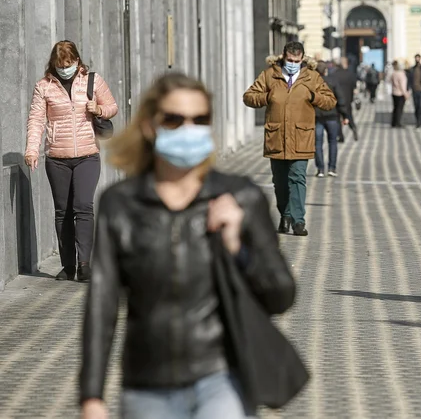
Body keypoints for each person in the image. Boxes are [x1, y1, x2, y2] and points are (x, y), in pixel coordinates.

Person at [79, 73, 297, 419]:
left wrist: (237, 245)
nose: (188, 129)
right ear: (151, 126)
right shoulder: (121, 204)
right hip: (146, 382)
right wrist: (91, 395)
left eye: (200, 120)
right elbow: (102, 303)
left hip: (221, 375)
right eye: (174, 119)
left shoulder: (239, 197)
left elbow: (281, 295)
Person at [25, 40, 118, 282]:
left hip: (87, 155)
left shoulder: (91, 80)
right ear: (53, 64)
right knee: (62, 212)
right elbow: (36, 120)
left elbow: (112, 106)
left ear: (77, 60)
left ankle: (84, 264)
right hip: (57, 158)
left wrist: (98, 109)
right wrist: (31, 150)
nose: (64, 68)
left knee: (84, 207)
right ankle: (67, 266)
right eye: (60, 64)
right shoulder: (44, 87)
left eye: (69, 63)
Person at [243, 41, 336, 237]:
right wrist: (266, 97)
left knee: (297, 178)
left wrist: (313, 96)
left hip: (301, 136)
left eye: (297, 60)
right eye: (290, 60)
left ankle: (298, 221)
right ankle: (284, 215)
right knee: (280, 182)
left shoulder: (312, 77)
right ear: (283, 57)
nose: (293, 63)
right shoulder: (270, 74)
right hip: (276, 137)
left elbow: (330, 101)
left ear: (302, 59)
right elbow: (249, 96)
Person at [315, 63, 348, 177]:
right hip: (332, 115)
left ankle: (320, 169)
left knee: (318, 143)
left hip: (317, 117)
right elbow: (340, 98)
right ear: (326, 71)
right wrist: (345, 115)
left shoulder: (312, 83)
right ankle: (332, 168)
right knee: (332, 142)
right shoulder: (333, 81)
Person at [332, 57, 359, 142]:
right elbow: (355, 87)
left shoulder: (334, 74)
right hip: (348, 99)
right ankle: (353, 127)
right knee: (349, 116)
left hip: (337, 99)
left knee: (337, 118)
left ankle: (341, 136)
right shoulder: (350, 74)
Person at [389, 60, 410, 128]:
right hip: (400, 93)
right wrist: (405, 93)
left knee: (395, 108)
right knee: (399, 109)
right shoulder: (401, 74)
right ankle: (398, 122)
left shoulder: (393, 73)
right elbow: (402, 85)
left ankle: (393, 122)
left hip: (394, 92)